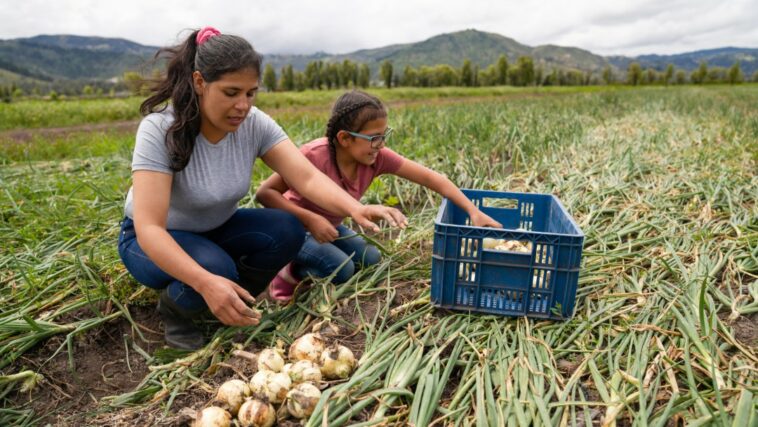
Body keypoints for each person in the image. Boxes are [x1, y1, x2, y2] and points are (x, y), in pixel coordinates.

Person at [117, 29, 405, 350]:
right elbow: (150, 228)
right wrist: (205, 281)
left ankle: (235, 300)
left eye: (251, 93)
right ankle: (177, 312)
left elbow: (306, 177)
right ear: (200, 82)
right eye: (231, 92)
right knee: (214, 269)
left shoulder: (254, 123)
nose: (242, 105)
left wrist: (355, 208)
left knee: (287, 228)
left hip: (216, 227)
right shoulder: (161, 129)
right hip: (151, 241)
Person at [256, 90, 502, 302]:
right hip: (294, 231)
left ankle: (311, 264)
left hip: (329, 227)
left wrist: (474, 211)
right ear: (344, 138)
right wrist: (309, 219)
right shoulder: (313, 155)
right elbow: (265, 193)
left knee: (371, 259)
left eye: (384, 135)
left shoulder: (376, 157)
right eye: (374, 138)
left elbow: (431, 178)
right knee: (342, 269)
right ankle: (288, 274)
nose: (381, 145)